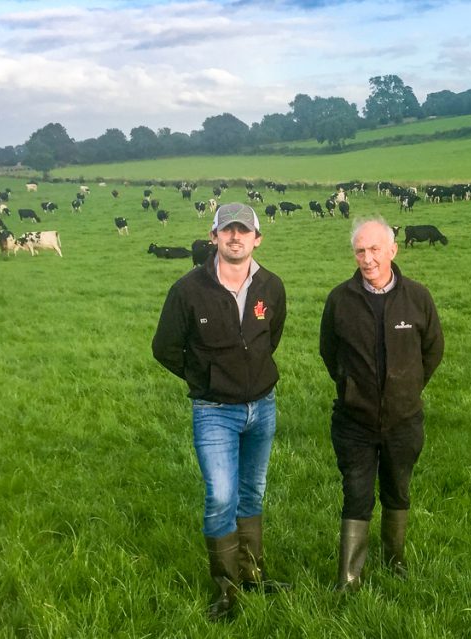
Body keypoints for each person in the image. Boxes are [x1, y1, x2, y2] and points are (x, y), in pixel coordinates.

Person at [152, 202, 288, 621]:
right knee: (221, 496)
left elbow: (271, 337)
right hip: (214, 410)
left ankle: (253, 575)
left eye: (243, 230)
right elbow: (165, 348)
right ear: (214, 237)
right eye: (227, 230)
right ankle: (227, 589)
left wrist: (251, 374)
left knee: (252, 491)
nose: (235, 237)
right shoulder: (188, 290)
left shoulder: (271, 286)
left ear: (257, 239)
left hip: (262, 406)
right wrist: (207, 378)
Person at [319, 218, 444, 592]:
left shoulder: (417, 297)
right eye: (360, 251)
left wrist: (407, 388)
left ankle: (395, 561)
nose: (368, 258)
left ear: (393, 250)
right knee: (356, 494)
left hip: (404, 420)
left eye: (375, 249)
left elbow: (433, 350)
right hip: (353, 421)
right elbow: (329, 352)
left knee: (397, 489)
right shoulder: (340, 300)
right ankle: (349, 578)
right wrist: (351, 386)